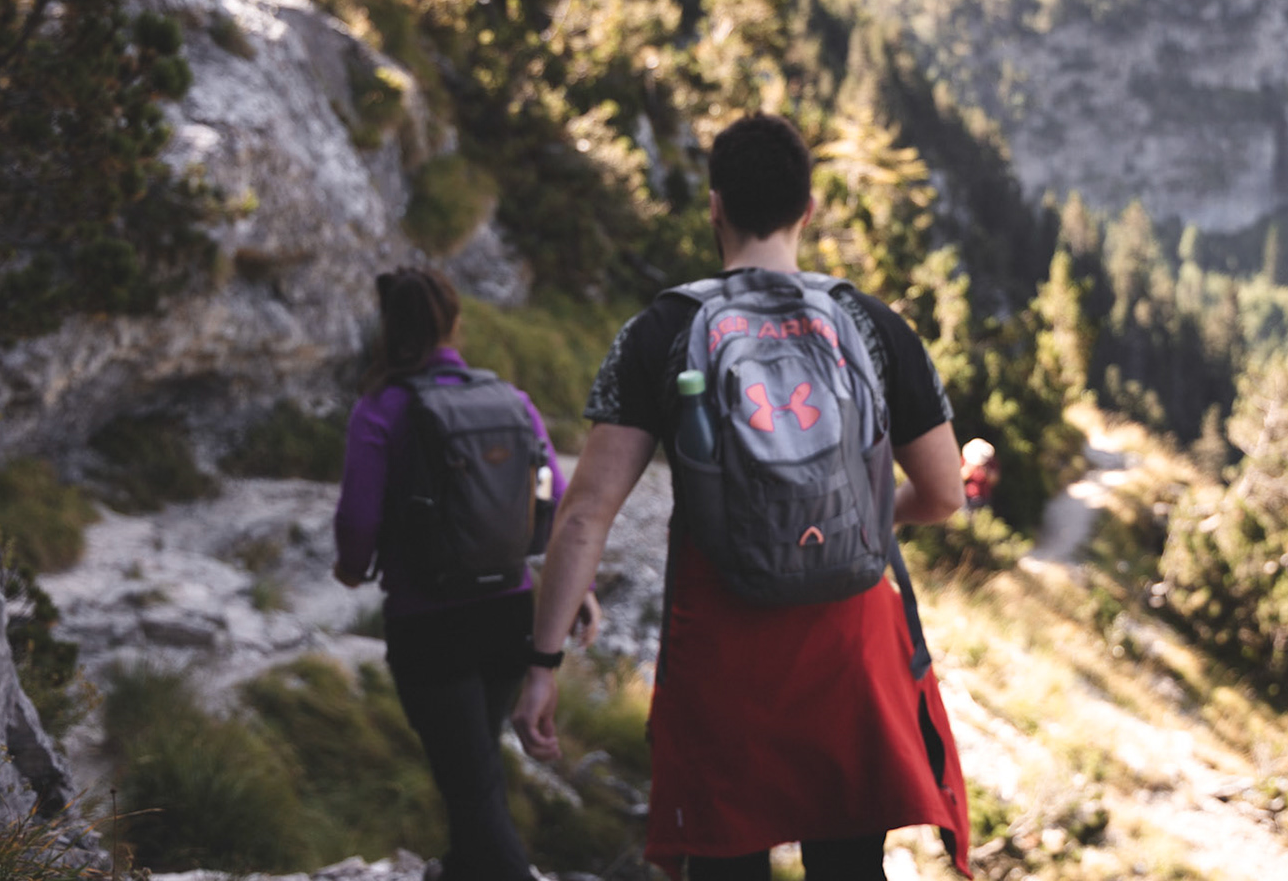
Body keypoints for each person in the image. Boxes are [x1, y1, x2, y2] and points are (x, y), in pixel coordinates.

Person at [513, 113, 973, 881]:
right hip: (848, 647)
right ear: (809, 209)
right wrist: (859, 518)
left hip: (721, 649)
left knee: (725, 867)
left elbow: (587, 513)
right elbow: (945, 493)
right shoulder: (871, 324)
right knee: (849, 868)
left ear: (715, 206)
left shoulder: (663, 330)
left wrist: (543, 662)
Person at [334, 266, 600, 881]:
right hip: (508, 612)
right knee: (473, 765)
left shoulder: (380, 408)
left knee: (470, 782)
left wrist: (351, 568)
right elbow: (559, 504)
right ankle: (459, 870)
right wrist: (579, 591)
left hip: (429, 622)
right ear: (454, 323)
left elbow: (357, 518)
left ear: (388, 328)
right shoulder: (510, 400)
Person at [960, 439, 997, 513]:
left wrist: (986, 471)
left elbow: (994, 480)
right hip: (967, 498)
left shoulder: (990, 462)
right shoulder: (965, 460)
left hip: (984, 497)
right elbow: (960, 477)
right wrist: (970, 468)